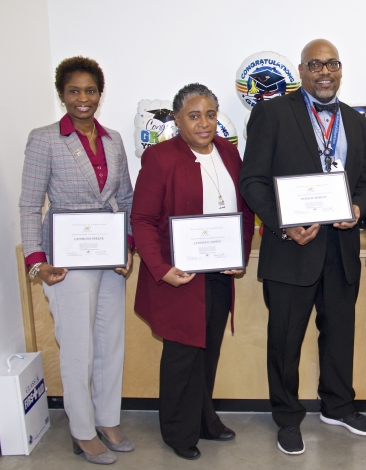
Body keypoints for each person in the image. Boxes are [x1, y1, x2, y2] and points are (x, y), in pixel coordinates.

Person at [239, 39, 366, 455]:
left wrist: (357, 207)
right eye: (315, 64)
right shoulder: (271, 114)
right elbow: (253, 182)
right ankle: (286, 416)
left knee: (339, 334)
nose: (324, 71)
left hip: (340, 247)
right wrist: (285, 224)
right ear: (301, 70)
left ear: (340, 69)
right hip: (291, 248)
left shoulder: (355, 121)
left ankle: (337, 404)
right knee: (285, 339)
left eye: (332, 64)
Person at [19, 56, 134, 465]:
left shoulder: (114, 139)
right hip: (66, 258)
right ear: (62, 94)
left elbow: (125, 199)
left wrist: (128, 248)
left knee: (110, 342)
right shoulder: (44, 139)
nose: (82, 98)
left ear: (100, 95)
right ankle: (82, 431)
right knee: (77, 348)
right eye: (74, 91)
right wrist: (37, 261)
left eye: (89, 91)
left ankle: (107, 419)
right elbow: (31, 205)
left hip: (109, 257)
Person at [131, 83, 254, 460]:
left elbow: (245, 212)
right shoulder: (160, 157)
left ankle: (205, 418)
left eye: (211, 115)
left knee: (208, 350)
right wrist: (160, 268)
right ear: (177, 119)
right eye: (194, 115)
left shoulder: (230, 153)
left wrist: (240, 256)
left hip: (219, 272)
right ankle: (177, 431)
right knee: (182, 355)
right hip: (178, 275)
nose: (204, 123)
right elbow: (143, 219)